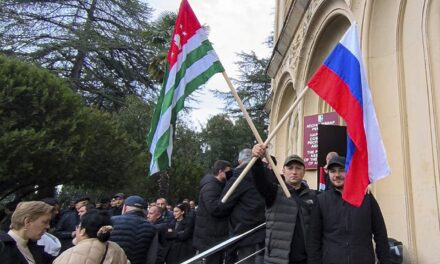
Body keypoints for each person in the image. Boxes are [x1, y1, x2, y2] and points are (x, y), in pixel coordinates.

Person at [307, 155, 390, 264]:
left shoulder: (366, 198)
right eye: (333, 171)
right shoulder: (321, 200)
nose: (337, 175)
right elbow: (314, 240)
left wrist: (385, 261)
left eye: (342, 170)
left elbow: (380, 234)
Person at [252, 144, 317, 264]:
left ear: (304, 172)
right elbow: (259, 180)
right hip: (278, 259)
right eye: (290, 168)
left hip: (305, 259)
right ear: (283, 171)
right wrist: (256, 160)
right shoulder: (273, 192)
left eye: (298, 168)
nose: (294, 172)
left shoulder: (314, 196)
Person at [222, 148, 266, 264]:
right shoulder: (264, 173)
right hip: (261, 232)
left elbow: (223, 204)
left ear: (239, 161)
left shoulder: (239, 176)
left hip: (245, 232)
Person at [193, 160, 232, 264]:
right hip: (210, 237)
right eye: (227, 172)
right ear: (220, 171)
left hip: (212, 235)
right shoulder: (211, 186)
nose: (230, 175)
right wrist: (230, 206)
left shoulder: (217, 185)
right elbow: (214, 208)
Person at [53, 210, 128, 264]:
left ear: (83, 231)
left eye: (78, 226)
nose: (76, 229)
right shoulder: (118, 250)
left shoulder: (70, 254)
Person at [110, 195, 157, 264]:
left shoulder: (111, 221)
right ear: (144, 211)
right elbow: (151, 258)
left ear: (125, 207)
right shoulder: (152, 228)